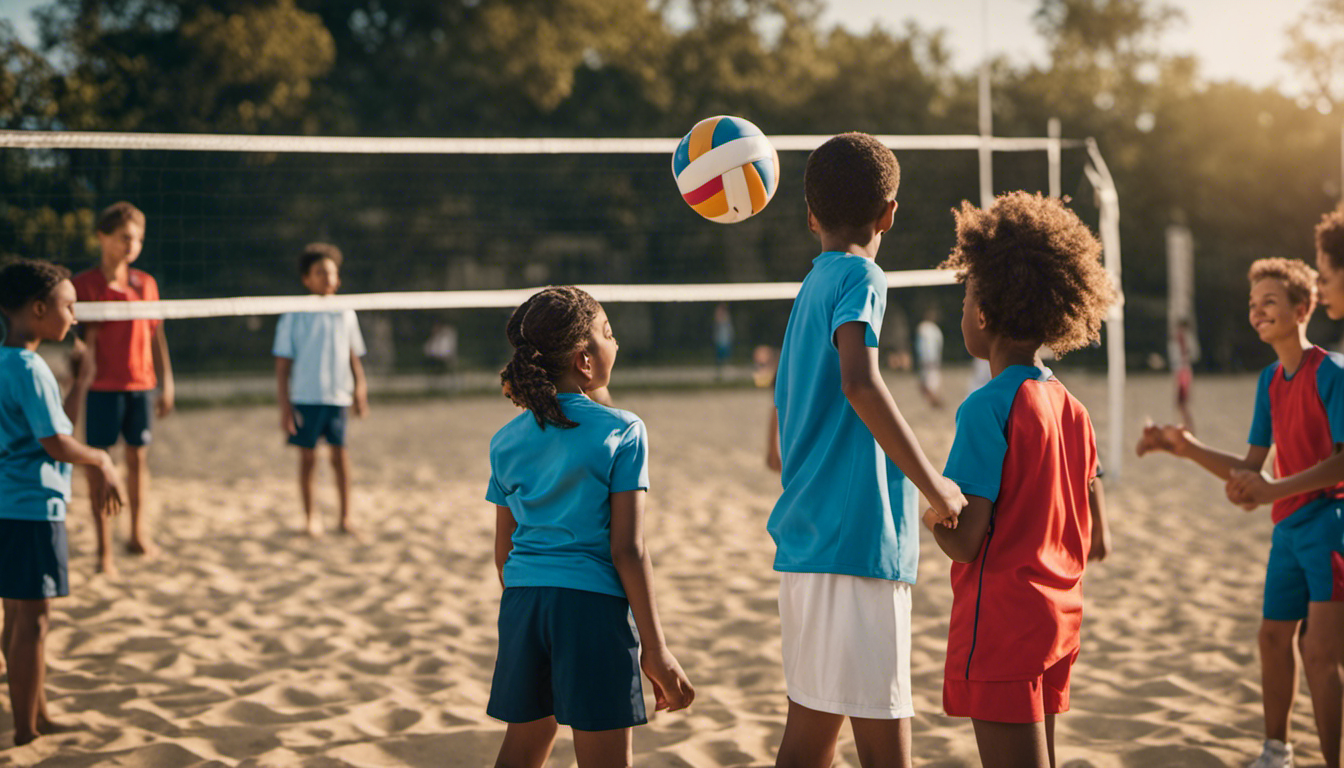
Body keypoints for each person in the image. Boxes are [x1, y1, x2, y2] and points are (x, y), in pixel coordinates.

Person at [768, 132, 966, 768]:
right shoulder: (861, 273)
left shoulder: (809, 287)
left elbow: (783, 422)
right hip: (856, 543)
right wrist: (934, 485)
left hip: (806, 540)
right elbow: (859, 381)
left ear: (809, 215)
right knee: (884, 745)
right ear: (890, 214)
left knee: (811, 734)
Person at [922, 192, 1116, 768]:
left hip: (1005, 627)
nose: (963, 311)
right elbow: (1096, 527)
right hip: (1059, 617)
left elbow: (965, 540)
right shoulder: (1072, 406)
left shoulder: (986, 408)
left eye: (966, 298)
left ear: (982, 315)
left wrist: (933, 514)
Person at [1141, 257, 1344, 768]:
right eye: (1253, 305)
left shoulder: (1333, 372)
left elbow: (1340, 463)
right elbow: (1251, 472)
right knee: (1272, 638)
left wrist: (1274, 488)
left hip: (1331, 526)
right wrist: (1185, 447)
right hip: (1288, 530)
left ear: (1303, 308)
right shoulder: (1269, 381)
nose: (1257, 312)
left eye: (1269, 302)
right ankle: (1276, 753)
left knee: (1319, 654)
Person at [486, 286, 693, 767]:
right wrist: (655, 649)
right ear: (584, 360)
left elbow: (504, 552)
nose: (615, 343)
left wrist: (537, 609)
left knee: (522, 748)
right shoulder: (623, 430)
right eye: (608, 333)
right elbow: (628, 550)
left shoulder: (505, 439)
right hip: (591, 610)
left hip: (523, 605)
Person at [1, 258, 124, 746]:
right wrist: (100, 461)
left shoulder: (8, 362)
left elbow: (54, 429)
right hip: (31, 508)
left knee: (18, 618)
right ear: (36, 309)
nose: (75, 315)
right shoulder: (29, 368)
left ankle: (37, 714)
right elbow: (57, 444)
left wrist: (81, 380)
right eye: (68, 305)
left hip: (10, 505)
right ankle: (28, 729)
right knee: (34, 622)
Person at [69, 201, 173, 575]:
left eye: (138, 239)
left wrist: (167, 382)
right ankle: (103, 551)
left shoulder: (146, 283)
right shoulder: (83, 285)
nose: (132, 244)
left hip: (141, 386)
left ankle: (136, 534)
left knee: (137, 461)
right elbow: (74, 342)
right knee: (99, 466)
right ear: (102, 237)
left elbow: (156, 337)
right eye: (124, 237)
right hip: (101, 388)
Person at [273, 243, 368, 538]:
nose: (327, 277)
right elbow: (282, 365)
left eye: (331, 272)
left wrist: (360, 388)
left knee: (340, 457)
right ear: (307, 279)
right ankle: (311, 517)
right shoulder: (294, 314)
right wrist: (285, 406)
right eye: (319, 272)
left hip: (337, 397)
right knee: (308, 459)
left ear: (338, 279)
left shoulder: (346, 312)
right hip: (305, 398)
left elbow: (353, 355)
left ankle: (345, 517)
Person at [915, 306, 944, 408]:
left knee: (930, 384)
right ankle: (935, 403)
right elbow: (923, 346)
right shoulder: (926, 328)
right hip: (929, 361)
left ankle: (936, 403)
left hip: (931, 361)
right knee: (928, 384)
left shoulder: (931, 329)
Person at [1172, 317, 1196, 432]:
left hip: (1183, 372)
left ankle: (1188, 427)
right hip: (1183, 371)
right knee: (1181, 403)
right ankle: (1186, 426)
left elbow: (1185, 355)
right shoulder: (1184, 339)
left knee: (1181, 403)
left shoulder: (1183, 339)